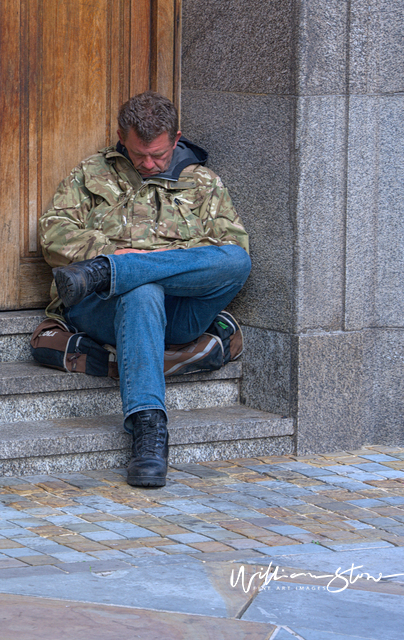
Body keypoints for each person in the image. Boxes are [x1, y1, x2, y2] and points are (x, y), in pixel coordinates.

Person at [38, 91, 250, 488]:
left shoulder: (204, 183)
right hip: (104, 306)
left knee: (237, 260)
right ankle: (148, 432)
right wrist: (108, 249)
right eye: (139, 155)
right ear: (122, 136)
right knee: (142, 291)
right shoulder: (91, 173)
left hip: (181, 312)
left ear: (176, 138)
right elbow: (53, 234)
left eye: (159, 155)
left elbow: (231, 250)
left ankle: (114, 270)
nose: (149, 164)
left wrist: (129, 264)